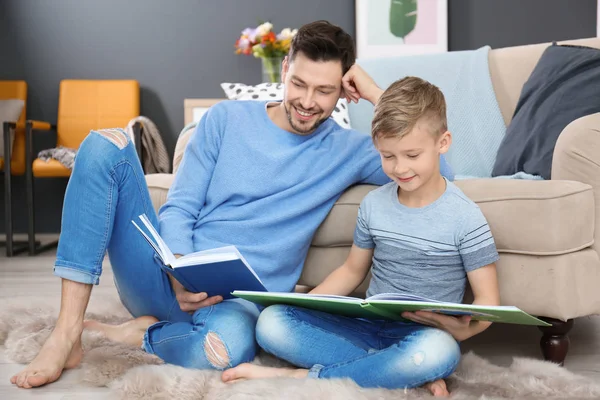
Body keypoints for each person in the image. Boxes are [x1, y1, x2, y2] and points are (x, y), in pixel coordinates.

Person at [10, 21, 454, 390]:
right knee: (103, 144)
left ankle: (140, 334)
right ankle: (67, 332)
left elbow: (439, 177)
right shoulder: (226, 118)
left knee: (222, 352)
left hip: (235, 304)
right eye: (298, 83)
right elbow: (181, 206)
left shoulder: (349, 150)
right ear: (283, 68)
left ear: (344, 89)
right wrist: (179, 266)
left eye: (324, 90)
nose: (306, 101)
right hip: (164, 277)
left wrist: (379, 95)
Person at [221, 76, 500, 397]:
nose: (400, 168)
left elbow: (488, 301)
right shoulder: (374, 205)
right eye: (388, 156)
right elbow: (352, 271)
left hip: (426, 334)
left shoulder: (465, 217)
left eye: (412, 155)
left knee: (440, 352)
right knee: (272, 323)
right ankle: (400, 371)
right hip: (364, 328)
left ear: (443, 142)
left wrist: (462, 332)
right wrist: (303, 305)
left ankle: (305, 378)